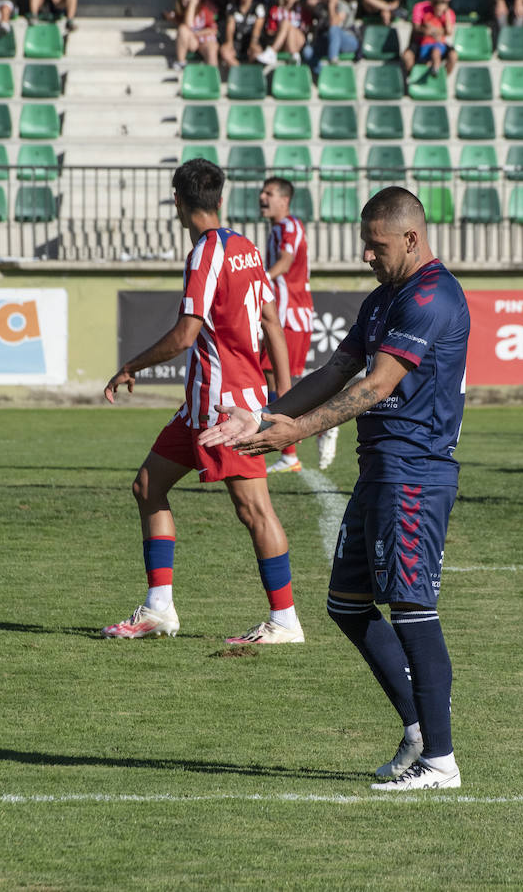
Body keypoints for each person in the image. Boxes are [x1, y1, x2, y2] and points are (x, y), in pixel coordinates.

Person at [199, 186, 470, 791]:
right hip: (380, 468)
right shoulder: (382, 301)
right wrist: (266, 416)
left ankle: (442, 761)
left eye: (376, 247)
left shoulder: (432, 296)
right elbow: (334, 371)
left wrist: (298, 429)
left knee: (411, 608)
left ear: (410, 238)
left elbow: (377, 385)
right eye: (363, 245)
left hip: (416, 472)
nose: (366, 257)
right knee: (346, 604)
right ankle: (419, 731)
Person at [100, 158, 304, 646]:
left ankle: (285, 620)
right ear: (219, 198)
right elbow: (272, 322)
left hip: (223, 407)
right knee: (147, 485)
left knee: (253, 508)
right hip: (201, 405)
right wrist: (284, 393)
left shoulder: (205, 253)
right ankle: (158, 609)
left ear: (178, 201)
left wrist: (132, 365)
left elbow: (185, 334)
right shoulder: (248, 249)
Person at [256, 177, 339, 472]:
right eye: (262, 192)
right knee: (274, 379)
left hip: (291, 317)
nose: (261, 197)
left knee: (281, 382)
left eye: (269, 193)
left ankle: (322, 423)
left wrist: (260, 279)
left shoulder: (290, 225)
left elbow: (286, 262)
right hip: (282, 316)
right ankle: (291, 452)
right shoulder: (276, 229)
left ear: (284, 200)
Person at [400, 0, 455, 77]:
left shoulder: (449, 13)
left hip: (438, 44)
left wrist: (432, 30)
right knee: (407, 56)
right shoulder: (420, 7)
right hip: (420, 42)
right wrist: (433, 31)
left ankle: (441, 80)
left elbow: (448, 32)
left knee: (453, 55)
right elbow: (416, 29)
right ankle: (412, 80)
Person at [301, 0, 357, 72]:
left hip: (348, 41)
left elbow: (334, 23)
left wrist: (331, 6)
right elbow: (308, 2)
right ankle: (323, 74)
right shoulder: (322, 6)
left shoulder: (343, 5)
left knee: (333, 29)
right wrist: (322, 1)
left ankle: (333, 61)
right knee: (307, 51)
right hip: (329, 43)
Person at [257, 0, 305, 65]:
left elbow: (305, 30)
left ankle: (272, 52)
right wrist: (283, 30)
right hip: (283, 44)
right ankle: (294, 56)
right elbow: (270, 31)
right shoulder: (275, 10)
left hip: (298, 41)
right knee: (286, 24)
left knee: (287, 24)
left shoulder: (302, 10)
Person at [219, 0, 265, 66]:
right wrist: (229, 42)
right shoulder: (232, 8)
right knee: (224, 51)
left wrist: (253, 43)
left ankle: (251, 74)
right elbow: (230, 27)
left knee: (257, 52)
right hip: (236, 42)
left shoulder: (258, 8)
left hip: (250, 41)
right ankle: (239, 71)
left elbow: (257, 29)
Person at [172, 0, 218, 68]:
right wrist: (191, 7)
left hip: (205, 40)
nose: (186, 2)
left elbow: (213, 29)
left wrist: (196, 34)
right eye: (184, 0)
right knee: (182, 29)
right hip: (192, 42)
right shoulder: (182, 13)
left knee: (211, 50)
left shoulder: (205, 10)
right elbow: (188, 25)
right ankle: (181, 62)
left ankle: (212, 76)